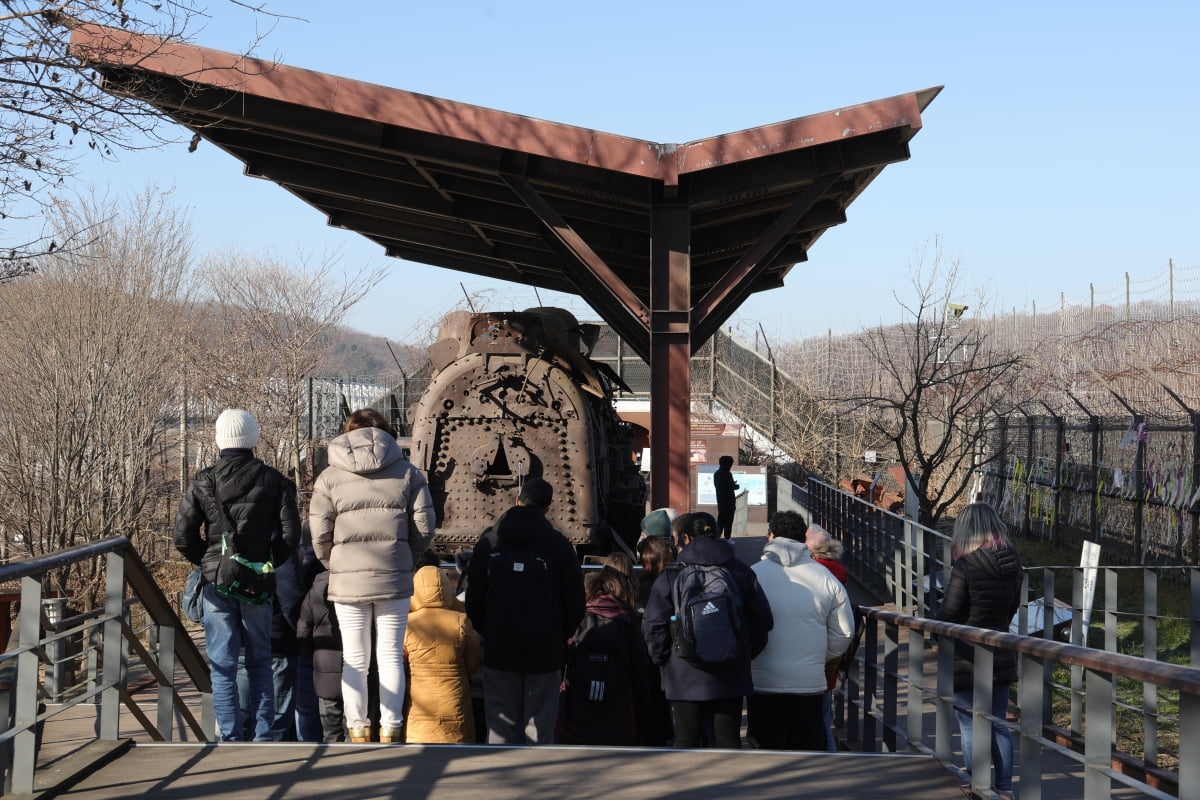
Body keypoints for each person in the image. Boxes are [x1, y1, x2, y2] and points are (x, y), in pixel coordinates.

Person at [309, 408, 436, 744]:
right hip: (393, 574)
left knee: (354, 657)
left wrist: (333, 563)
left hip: (348, 578)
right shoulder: (409, 473)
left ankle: (358, 729)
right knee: (391, 654)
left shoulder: (329, 477)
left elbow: (319, 533)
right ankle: (391, 727)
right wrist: (407, 557)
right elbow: (424, 527)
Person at [173, 408, 301, 741]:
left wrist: (211, 563)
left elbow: (183, 536)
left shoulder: (204, 480)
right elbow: (291, 535)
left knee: (223, 665)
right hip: (259, 584)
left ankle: (229, 737)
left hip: (218, 585)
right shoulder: (276, 481)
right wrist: (267, 562)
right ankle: (263, 737)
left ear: (219, 439)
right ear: (253, 439)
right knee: (261, 660)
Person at [465, 477, 585, 745]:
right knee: (540, 727)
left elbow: (473, 596)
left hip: (499, 647)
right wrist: (556, 633)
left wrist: (490, 629)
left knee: (499, 726)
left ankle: (499, 780)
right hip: (545, 650)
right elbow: (575, 602)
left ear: (518, 500)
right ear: (547, 507)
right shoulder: (559, 545)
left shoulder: (490, 540)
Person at [642, 511, 773, 749]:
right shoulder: (741, 571)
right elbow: (762, 619)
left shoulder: (672, 575)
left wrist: (664, 660)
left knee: (686, 742)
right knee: (727, 742)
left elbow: (654, 625)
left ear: (685, 539)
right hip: (731, 673)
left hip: (683, 674)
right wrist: (743, 652)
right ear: (718, 534)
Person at [936, 502, 1022, 800]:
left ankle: (978, 786)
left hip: (965, 655)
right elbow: (1012, 608)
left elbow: (949, 613)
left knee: (971, 725)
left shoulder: (966, 565)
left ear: (965, 530)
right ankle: (1005, 789)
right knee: (998, 723)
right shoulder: (1013, 564)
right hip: (1000, 649)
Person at [748, 511, 855, 751]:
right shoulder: (825, 577)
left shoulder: (752, 574)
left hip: (762, 681)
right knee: (808, 752)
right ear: (802, 539)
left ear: (771, 537)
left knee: (766, 754)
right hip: (809, 683)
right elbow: (845, 632)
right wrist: (820, 658)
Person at [556, 566, 651, 746]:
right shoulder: (628, 625)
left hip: (577, 715)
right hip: (618, 718)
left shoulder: (576, 620)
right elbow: (640, 674)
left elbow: (560, 663)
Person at [403, 565, 482, 743]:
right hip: (455, 700)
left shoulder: (408, 624)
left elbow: (400, 663)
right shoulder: (461, 620)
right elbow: (473, 662)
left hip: (419, 704)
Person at [806, 521, 850, 751]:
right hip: (829, 654)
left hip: (810, 652)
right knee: (824, 714)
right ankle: (830, 753)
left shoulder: (813, 572)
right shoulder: (837, 571)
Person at [296, 566, 345, 742]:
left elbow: (302, 631)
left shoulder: (316, 587)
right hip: (357, 671)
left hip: (324, 670)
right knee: (355, 730)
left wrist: (312, 647)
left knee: (330, 733)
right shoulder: (359, 583)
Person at [713, 456, 740, 539]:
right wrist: (736, 486)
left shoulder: (717, 473)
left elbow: (720, 486)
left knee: (721, 520)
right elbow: (730, 487)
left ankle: (717, 537)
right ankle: (727, 538)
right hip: (729, 502)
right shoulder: (727, 474)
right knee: (728, 522)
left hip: (721, 501)